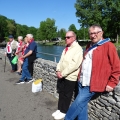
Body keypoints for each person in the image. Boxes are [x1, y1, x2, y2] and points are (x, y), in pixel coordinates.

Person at [65, 24, 120, 120]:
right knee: (82, 107)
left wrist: (112, 83)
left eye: (95, 33)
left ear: (101, 33)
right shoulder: (89, 45)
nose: (93, 35)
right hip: (81, 81)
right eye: (91, 33)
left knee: (76, 105)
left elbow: (116, 66)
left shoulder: (109, 46)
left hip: (92, 84)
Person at [52, 31, 83, 120]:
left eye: (68, 37)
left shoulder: (78, 49)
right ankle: (59, 109)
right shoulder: (66, 48)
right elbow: (61, 60)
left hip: (70, 76)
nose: (66, 39)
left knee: (67, 95)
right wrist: (58, 70)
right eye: (65, 37)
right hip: (62, 75)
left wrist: (63, 73)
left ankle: (64, 111)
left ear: (74, 38)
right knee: (61, 92)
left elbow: (74, 64)